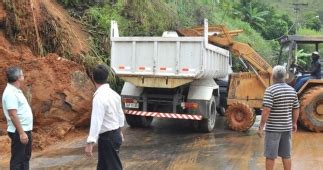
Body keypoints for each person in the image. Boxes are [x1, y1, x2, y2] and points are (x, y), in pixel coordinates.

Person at [258, 65, 300, 170]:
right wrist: (294, 123)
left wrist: (261, 127)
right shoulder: (292, 90)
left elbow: (266, 110)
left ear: (273, 76)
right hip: (287, 128)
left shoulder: (270, 90)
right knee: (286, 155)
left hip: (273, 129)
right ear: (285, 77)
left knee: (270, 156)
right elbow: (296, 108)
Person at [84, 64, 125, 170]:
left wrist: (90, 142)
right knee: (103, 167)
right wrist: (120, 132)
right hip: (114, 135)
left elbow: (96, 121)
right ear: (107, 77)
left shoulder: (99, 98)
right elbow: (120, 115)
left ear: (93, 77)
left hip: (108, 139)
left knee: (113, 167)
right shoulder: (114, 95)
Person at [2, 66, 33, 170]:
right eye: (22, 74)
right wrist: (21, 133)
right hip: (19, 131)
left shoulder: (15, 90)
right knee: (18, 160)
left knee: (25, 158)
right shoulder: (10, 93)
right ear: (17, 78)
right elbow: (12, 114)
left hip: (24, 129)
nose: (23, 76)